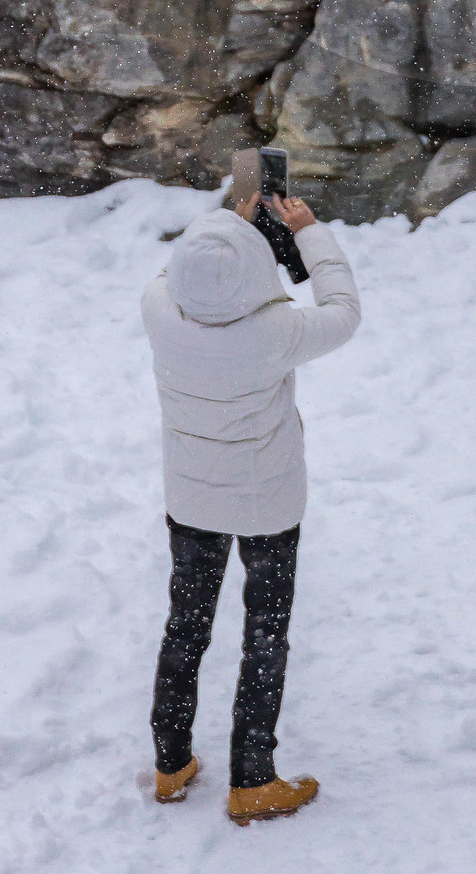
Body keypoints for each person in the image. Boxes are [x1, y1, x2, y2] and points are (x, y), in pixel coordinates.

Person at [141, 172, 360, 824]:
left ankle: (171, 760)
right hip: (269, 504)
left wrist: (227, 224)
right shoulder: (279, 331)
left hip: (191, 499)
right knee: (265, 633)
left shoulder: (158, 308)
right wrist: (306, 230)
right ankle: (253, 778)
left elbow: (185, 272)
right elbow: (344, 309)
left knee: (186, 626)